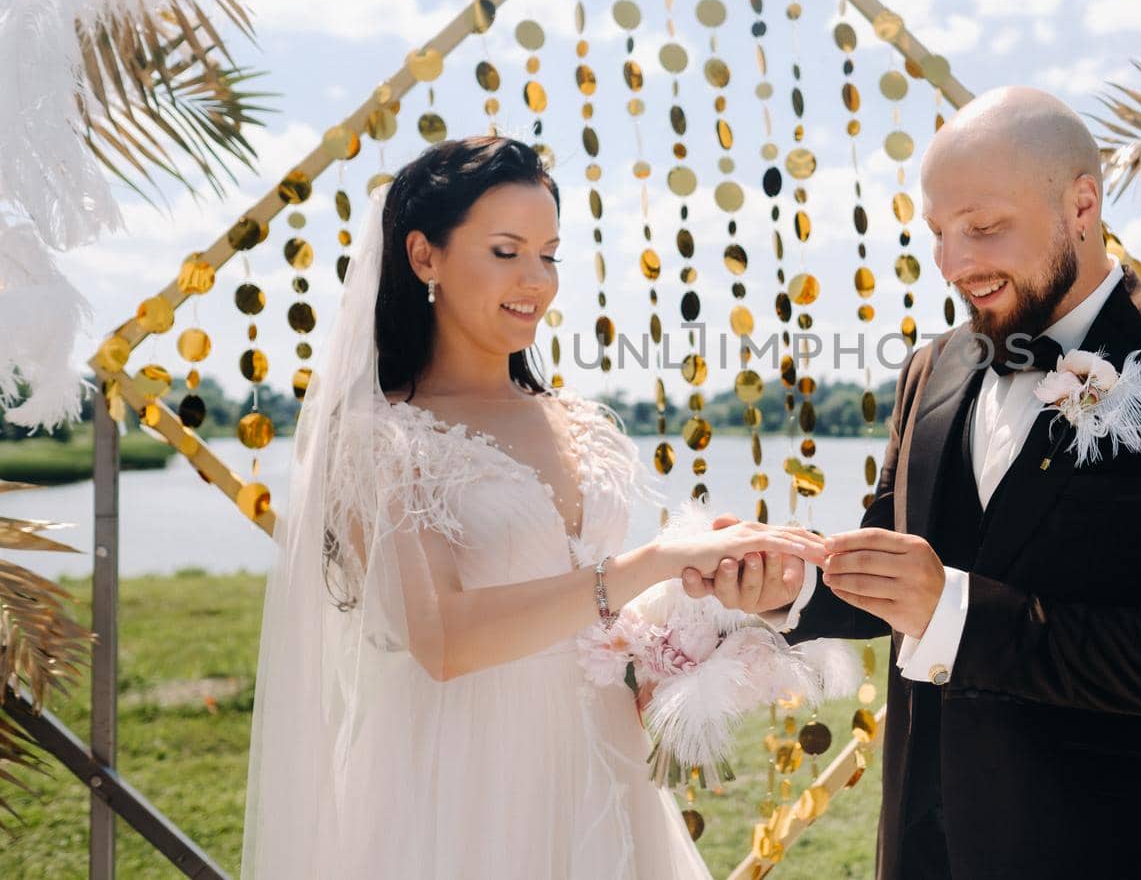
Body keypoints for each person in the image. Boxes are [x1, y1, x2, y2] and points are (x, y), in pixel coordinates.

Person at [685, 87, 1141, 879]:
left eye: (984, 227)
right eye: (939, 232)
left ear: (1083, 204)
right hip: (920, 850)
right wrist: (787, 586)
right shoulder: (930, 370)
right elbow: (894, 564)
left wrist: (955, 612)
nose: (953, 263)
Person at [241, 136, 822, 879]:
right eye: (506, 250)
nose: (535, 281)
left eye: (548, 254)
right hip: (464, 783)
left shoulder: (578, 420)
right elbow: (443, 639)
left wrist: (695, 604)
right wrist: (652, 563)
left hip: (606, 775)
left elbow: (598, 605)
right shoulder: (381, 437)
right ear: (425, 257)